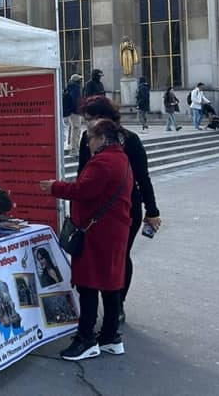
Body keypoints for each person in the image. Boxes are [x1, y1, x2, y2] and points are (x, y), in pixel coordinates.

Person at [40, 118, 132, 360]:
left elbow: (82, 190)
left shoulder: (103, 162)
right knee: (111, 285)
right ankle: (111, 336)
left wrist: (54, 187)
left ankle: (86, 339)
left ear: (101, 138)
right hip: (113, 231)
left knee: (88, 286)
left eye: (89, 137)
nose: (87, 142)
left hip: (97, 234)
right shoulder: (120, 158)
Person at [76, 96, 161, 324]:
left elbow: (143, 178)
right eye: (87, 120)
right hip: (93, 211)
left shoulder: (130, 140)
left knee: (120, 257)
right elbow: (81, 175)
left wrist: (152, 211)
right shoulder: (88, 138)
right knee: (93, 259)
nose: (89, 125)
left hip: (125, 209)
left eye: (92, 119)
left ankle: (117, 305)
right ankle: (97, 311)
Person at [63, 74, 83, 152]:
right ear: (77, 81)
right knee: (76, 129)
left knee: (72, 128)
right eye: (80, 80)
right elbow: (76, 101)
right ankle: (75, 148)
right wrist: (79, 110)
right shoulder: (76, 88)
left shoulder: (68, 87)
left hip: (69, 111)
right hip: (75, 112)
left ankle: (71, 145)